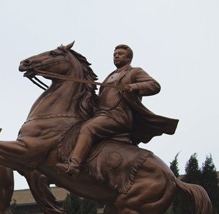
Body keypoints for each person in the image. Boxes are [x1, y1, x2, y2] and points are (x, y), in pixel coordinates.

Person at [59, 44, 178, 175]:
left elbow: (154, 85)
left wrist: (135, 86)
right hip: (101, 115)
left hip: (118, 117)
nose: (116, 56)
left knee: (88, 128)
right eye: (114, 54)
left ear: (128, 58)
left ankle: (75, 165)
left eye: (120, 54)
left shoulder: (134, 72)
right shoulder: (110, 76)